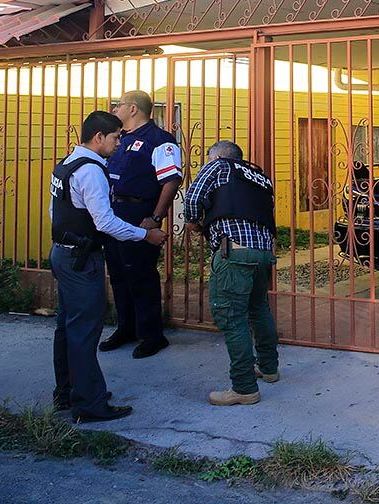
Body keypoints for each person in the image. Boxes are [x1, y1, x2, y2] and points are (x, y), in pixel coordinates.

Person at [50, 111, 166, 422]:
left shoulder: (67, 164)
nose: (118, 143)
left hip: (63, 253)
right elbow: (104, 221)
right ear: (99, 137)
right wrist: (145, 235)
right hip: (81, 259)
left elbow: (55, 212)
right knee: (84, 331)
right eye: (115, 137)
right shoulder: (91, 171)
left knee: (67, 326)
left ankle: (68, 391)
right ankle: (89, 404)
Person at [184, 140, 281, 407]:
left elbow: (192, 198)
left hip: (235, 253)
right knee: (259, 309)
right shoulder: (260, 178)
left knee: (232, 317)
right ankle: (269, 369)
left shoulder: (218, 167)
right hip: (263, 253)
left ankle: (244, 387)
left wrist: (193, 222)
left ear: (217, 157)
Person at [100, 91, 182, 359]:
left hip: (139, 213)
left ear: (133, 109)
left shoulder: (159, 140)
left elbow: (171, 180)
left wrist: (155, 218)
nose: (115, 110)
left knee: (141, 276)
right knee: (118, 274)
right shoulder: (120, 138)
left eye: (119, 105)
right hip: (114, 213)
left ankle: (152, 335)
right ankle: (126, 328)